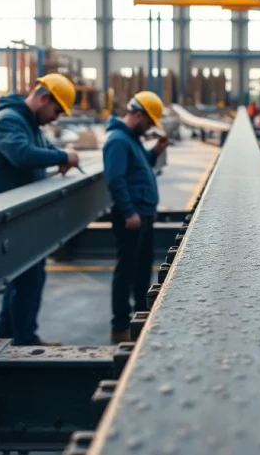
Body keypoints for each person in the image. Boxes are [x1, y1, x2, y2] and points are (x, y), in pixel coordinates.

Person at [0, 74, 80, 345]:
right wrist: (63, 157)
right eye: (56, 110)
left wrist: (61, 154)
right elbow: (21, 154)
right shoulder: (9, 121)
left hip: (21, 216)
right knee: (28, 281)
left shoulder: (30, 124)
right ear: (44, 98)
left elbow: (46, 148)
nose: (56, 118)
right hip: (8, 217)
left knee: (23, 280)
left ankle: (8, 338)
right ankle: (24, 343)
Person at [104, 91, 170, 343]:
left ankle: (140, 319)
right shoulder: (118, 140)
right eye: (150, 122)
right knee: (126, 272)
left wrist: (155, 152)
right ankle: (120, 327)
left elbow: (138, 169)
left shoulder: (131, 139)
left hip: (143, 215)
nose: (151, 127)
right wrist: (129, 211)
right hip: (131, 217)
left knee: (142, 270)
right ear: (139, 115)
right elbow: (115, 178)